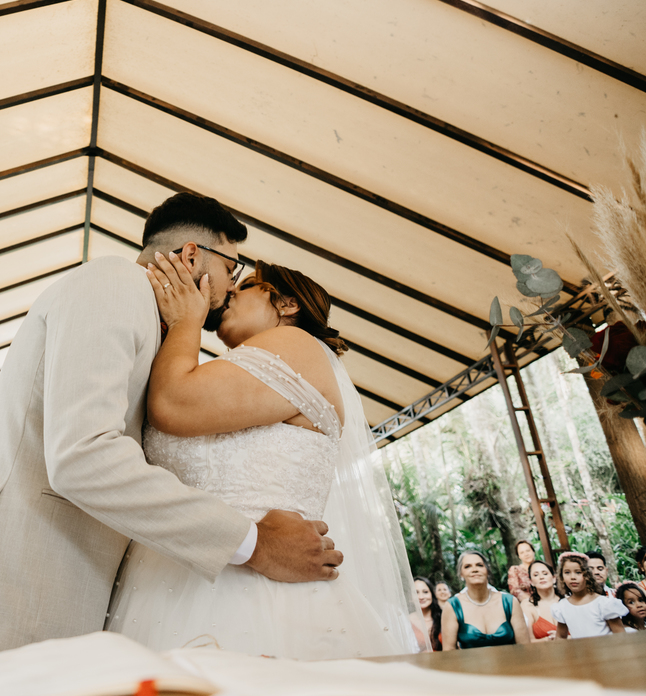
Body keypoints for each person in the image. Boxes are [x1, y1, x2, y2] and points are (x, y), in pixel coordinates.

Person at [0, 194, 341, 661]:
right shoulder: (114, 284)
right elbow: (83, 455)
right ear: (194, 255)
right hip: (12, 603)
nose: (231, 286)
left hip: (75, 614)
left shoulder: (164, 331)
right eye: (232, 269)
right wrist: (252, 543)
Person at [107, 257, 421, 659]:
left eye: (247, 285)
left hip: (256, 596)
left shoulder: (295, 343)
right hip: (170, 579)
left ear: (287, 304)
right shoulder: (237, 372)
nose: (230, 292)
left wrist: (186, 320)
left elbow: (172, 403)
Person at [441, 551, 530, 649]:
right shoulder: (453, 606)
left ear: (487, 570)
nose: (474, 570)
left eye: (479, 565)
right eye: (467, 566)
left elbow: (524, 647)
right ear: (461, 574)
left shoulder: (510, 602)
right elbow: (449, 652)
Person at [551, 552, 626, 638]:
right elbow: (560, 637)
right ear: (561, 576)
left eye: (578, 572)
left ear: (588, 575)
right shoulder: (562, 606)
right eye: (567, 572)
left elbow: (621, 635)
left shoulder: (603, 604)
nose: (572, 577)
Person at [521, 560, 561, 642]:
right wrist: (549, 639)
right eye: (536, 575)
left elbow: (584, 634)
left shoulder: (568, 601)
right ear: (531, 582)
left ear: (554, 578)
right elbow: (527, 641)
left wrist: (563, 638)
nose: (541, 577)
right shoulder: (527, 605)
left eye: (545, 573)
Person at [410, 576, 442, 651]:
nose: (421, 597)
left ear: (432, 594)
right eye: (416, 592)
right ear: (410, 597)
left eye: (425, 592)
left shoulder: (443, 616)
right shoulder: (406, 621)